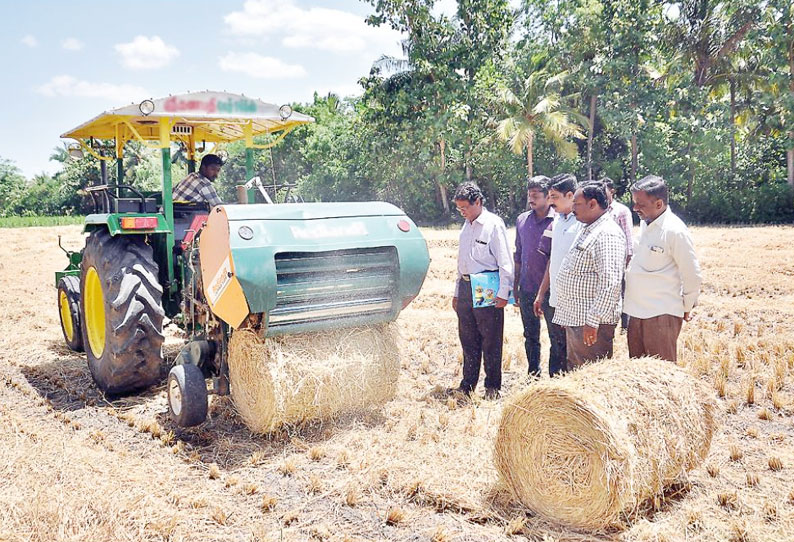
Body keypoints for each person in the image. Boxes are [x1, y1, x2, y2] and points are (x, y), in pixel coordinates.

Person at [624, 175, 702, 362]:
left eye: (640, 204)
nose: (635, 209)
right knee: (638, 376)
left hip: (660, 315)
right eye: (634, 203)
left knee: (662, 376)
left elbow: (692, 274)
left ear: (659, 204)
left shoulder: (675, 231)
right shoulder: (645, 224)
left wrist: (686, 306)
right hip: (636, 312)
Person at [451, 182, 514, 399]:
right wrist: (457, 292)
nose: (463, 213)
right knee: (468, 339)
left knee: (491, 340)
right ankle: (467, 385)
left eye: (465, 208)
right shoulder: (466, 226)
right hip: (467, 286)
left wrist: (503, 292)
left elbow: (505, 261)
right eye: (459, 209)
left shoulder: (493, 225)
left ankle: (492, 387)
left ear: (477, 202)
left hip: (488, 286)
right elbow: (462, 262)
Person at [552, 181, 626, 368]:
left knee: (589, 376)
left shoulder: (607, 234)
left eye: (577, 204)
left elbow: (611, 283)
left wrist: (593, 322)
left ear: (592, 204)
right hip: (578, 319)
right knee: (577, 372)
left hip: (591, 324)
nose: (573, 208)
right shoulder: (589, 228)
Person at [532, 174, 579, 374]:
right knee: (557, 344)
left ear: (570, 196)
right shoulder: (558, 221)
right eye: (549, 197)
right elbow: (553, 260)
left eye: (554, 197)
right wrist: (541, 294)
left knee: (574, 350)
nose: (550, 202)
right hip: (556, 298)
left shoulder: (584, 223)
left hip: (576, 301)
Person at [514, 176, 556, 378]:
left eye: (536, 195)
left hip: (552, 291)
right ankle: (533, 374)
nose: (531, 199)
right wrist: (515, 286)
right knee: (530, 335)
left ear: (549, 196)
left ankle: (556, 377)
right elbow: (518, 255)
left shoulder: (559, 221)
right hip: (527, 287)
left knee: (556, 336)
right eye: (529, 195)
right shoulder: (522, 220)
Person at [603, 177, 634, 329]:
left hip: (620, 260)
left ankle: (625, 326)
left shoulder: (621, 211)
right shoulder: (599, 211)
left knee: (623, 293)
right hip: (604, 261)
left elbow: (629, 238)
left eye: (605, 191)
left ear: (612, 191)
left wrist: (627, 260)